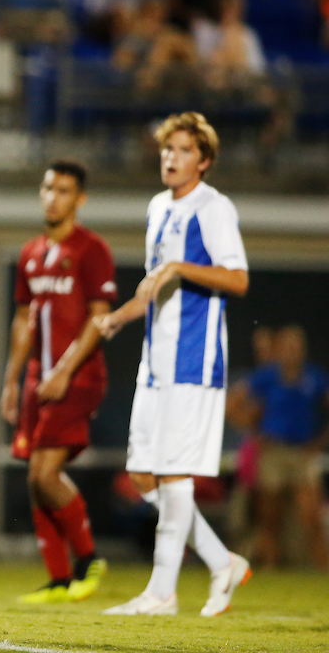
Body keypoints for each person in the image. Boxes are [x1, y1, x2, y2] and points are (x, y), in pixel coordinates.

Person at [96, 111, 252, 616]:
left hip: (194, 359)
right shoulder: (158, 207)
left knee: (175, 474)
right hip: (155, 361)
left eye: (184, 150)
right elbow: (154, 286)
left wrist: (181, 267)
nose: (172, 157)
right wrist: (119, 317)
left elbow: (238, 279)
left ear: (203, 161)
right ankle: (220, 560)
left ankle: (162, 591)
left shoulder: (214, 207)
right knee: (143, 474)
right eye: (167, 149)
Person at [2, 160, 117, 604]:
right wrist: (12, 380)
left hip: (77, 377)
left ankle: (88, 560)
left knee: (46, 473)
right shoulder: (31, 253)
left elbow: (99, 316)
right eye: (49, 188)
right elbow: (22, 321)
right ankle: (60, 579)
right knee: (34, 478)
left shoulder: (91, 250)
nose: (53, 197)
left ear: (79, 199)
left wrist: (64, 370)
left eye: (64, 190)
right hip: (37, 380)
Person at [228, 325, 329, 569]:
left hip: (302, 454)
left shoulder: (313, 376)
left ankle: (323, 572)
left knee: (312, 518)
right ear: (279, 349)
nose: (292, 352)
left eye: (297, 346)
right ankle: (271, 570)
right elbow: (233, 404)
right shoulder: (267, 376)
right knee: (269, 518)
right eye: (287, 346)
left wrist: (320, 442)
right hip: (272, 453)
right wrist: (253, 430)